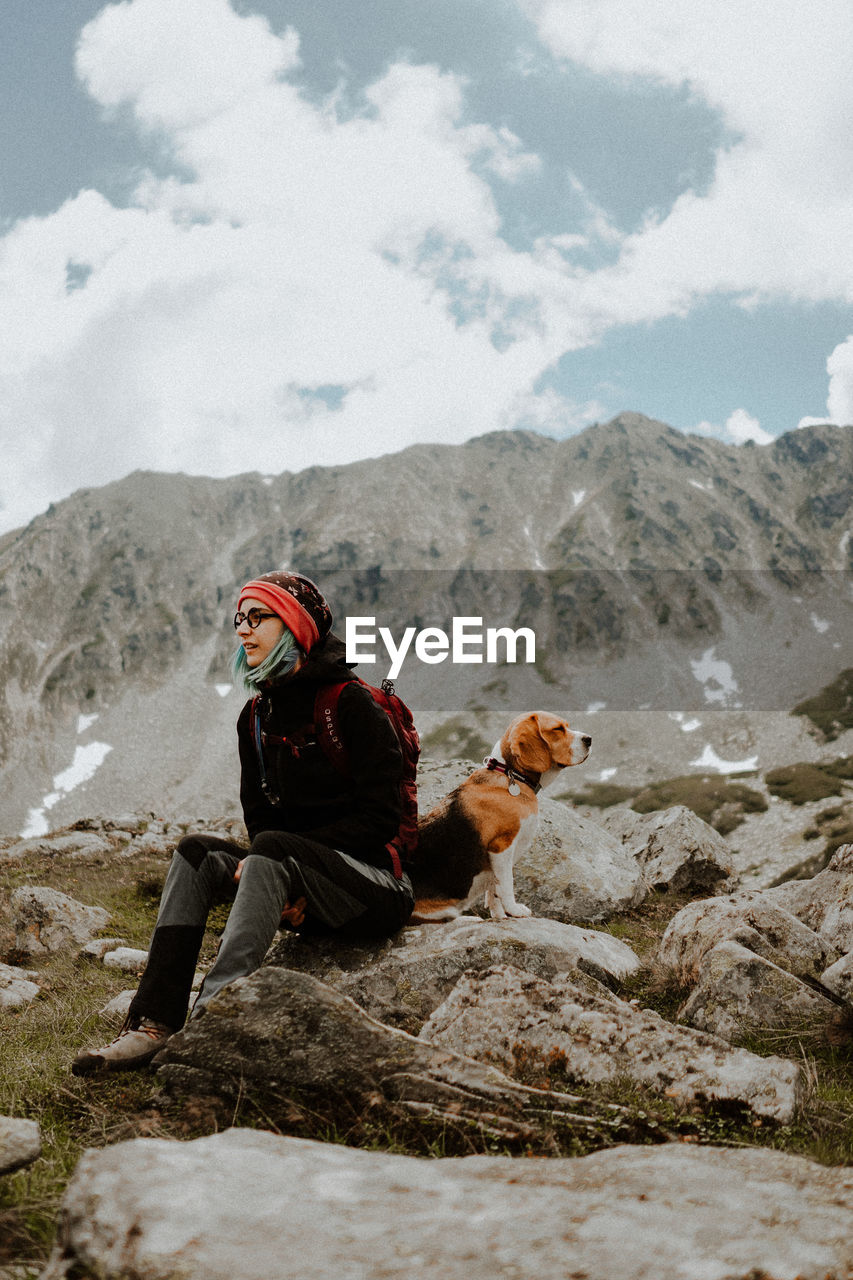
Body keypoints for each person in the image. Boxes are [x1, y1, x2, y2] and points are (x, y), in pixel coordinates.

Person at [72, 571, 414, 1075]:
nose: (242, 630)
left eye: (258, 618)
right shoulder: (255, 715)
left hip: (374, 887)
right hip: (299, 880)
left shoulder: (351, 704)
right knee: (196, 852)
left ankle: (213, 1018)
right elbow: (260, 821)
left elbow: (380, 819)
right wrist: (281, 876)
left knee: (272, 848)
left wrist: (288, 866)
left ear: (295, 626)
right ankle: (152, 1025)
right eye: (239, 618)